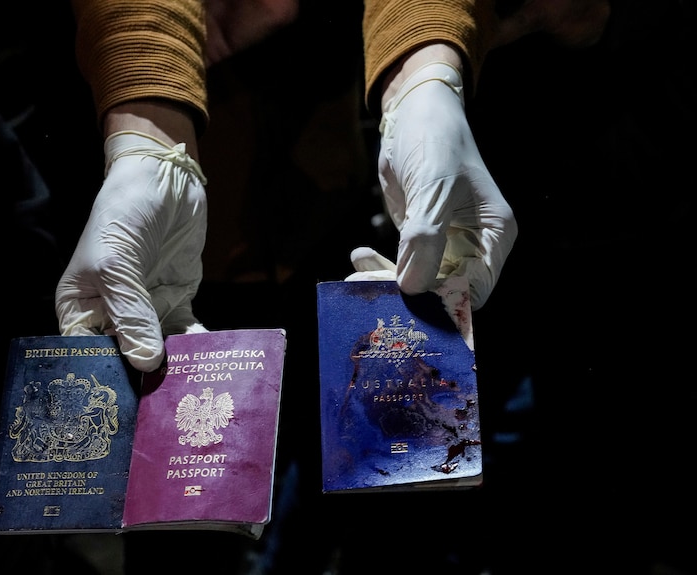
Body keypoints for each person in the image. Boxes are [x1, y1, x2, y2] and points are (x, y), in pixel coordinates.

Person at [52, 1, 697, 574]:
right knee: (184, 524)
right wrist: (147, 135)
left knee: (386, 480)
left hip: (329, 209)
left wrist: (421, 76)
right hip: (193, 243)